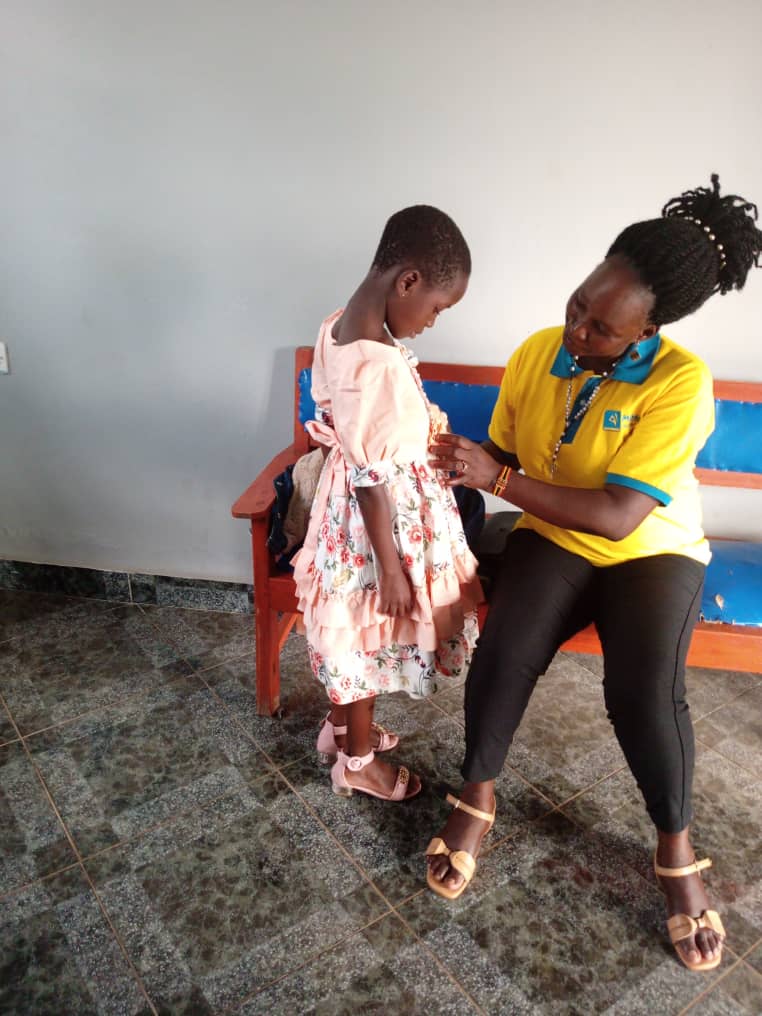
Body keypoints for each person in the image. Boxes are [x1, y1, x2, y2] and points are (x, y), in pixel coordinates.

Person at [426, 175, 761, 972]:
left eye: (603, 329)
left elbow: (617, 515)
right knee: (505, 651)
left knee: (642, 691)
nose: (577, 330)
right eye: (578, 305)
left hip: (653, 552)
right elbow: (505, 455)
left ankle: (676, 853)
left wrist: (495, 480)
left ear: (649, 329)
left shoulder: (682, 384)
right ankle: (477, 797)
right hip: (552, 531)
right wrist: (450, 464)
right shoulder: (539, 351)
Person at [293, 205, 482, 802]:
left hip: (348, 511)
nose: (431, 321)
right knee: (367, 637)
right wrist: (392, 566)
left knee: (353, 631)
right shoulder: (373, 364)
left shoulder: (338, 326)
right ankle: (355, 760)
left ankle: (342, 726)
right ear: (406, 282)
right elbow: (373, 480)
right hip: (376, 529)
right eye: (436, 307)